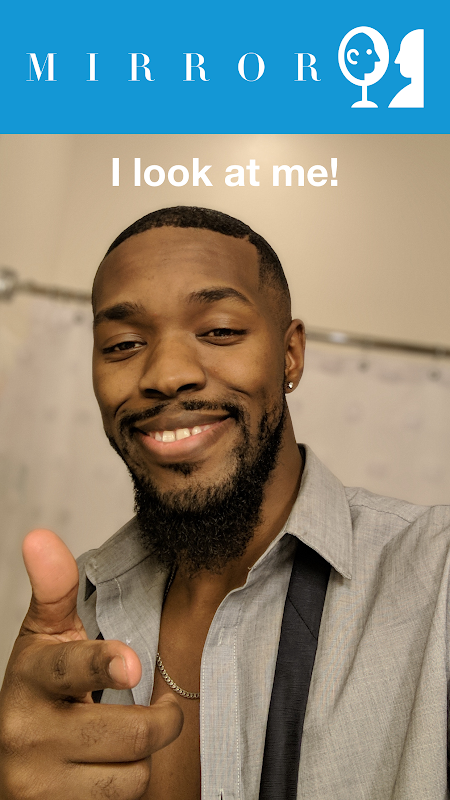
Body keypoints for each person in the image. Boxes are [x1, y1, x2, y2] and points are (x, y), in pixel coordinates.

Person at [0, 206, 449, 800]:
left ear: (290, 355)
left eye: (219, 332)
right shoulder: (83, 608)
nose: (166, 375)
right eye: (124, 343)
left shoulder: (436, 578)